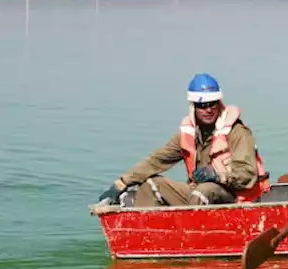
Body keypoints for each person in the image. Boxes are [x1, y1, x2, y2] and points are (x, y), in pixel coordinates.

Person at [96, 73, 270, 207]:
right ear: (193, 107)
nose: (208, 110)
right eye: (202, 105)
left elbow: (247, 174)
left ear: (219, 103)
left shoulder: (237, 132)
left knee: (204, 190)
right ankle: (148, 238)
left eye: (212, 104)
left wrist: (218, 176)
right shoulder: (189, 134)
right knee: (151, 184)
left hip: (235, 198)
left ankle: (193, 240)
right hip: (200, 196)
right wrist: (120, 184)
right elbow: (156, 161)